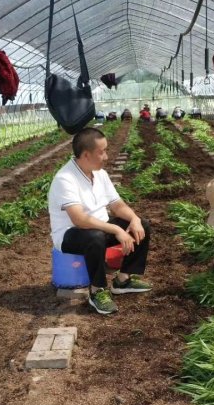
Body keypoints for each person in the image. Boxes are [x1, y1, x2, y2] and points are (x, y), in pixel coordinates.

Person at [48, 127, 152, 315]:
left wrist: (134, 219)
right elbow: (79, 220)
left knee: (141, 225)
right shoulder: (65, 179)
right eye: (101, 152)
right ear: (86, 155)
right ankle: (97, 291)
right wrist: (115, 229)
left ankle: (123, 280)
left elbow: (117, 205)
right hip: (70, 235)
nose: (106, 156)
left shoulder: (100, 174)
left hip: (98, 228)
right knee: (94, 237)